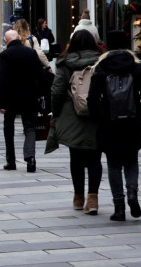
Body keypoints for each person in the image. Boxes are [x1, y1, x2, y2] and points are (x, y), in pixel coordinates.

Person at [88, 30, 141, 221]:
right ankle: (132, 192)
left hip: (109, 123)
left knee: (113, 164)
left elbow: (92, 99)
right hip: (132, 123)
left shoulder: (101, 67)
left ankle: (119, 206)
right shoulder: (136, 66)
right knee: (131, 159)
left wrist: (99, 117)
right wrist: (139, 115)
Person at [48, 29, 103, 214]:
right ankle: (93, 199)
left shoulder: (65, 63)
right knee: (95, 157)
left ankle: (78, 197)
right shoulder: (101, 61)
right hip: (96, 114)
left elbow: (57, 91)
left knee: (76, 157)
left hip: (72, 114)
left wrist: (56, 113)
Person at [0, 29, 46, 173]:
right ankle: (30, 157)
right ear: (19, 38)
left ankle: (11, 160)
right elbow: (40, 76)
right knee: (29, 127)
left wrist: (1, 103)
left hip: (11, 98)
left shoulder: (5, 55)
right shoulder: (31, 53)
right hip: (29, 96)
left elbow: (3, 80)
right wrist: (40, 94)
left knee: (9, 128)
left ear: (7, 41)